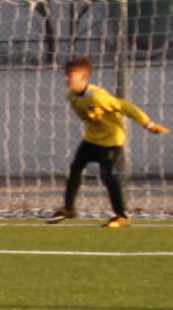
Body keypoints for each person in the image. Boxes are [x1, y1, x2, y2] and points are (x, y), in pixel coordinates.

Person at [54, 58, 166, 227]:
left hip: (112, 139)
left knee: (107, 175)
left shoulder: (98, 96)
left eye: (70, 75)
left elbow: (126, 107)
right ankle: (69, 208)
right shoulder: (71, 96)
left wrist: (149, 124)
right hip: (92, 138)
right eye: (66, 75)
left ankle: (122, 216)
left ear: (84, 77)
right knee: (75, 168)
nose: (66, 79)